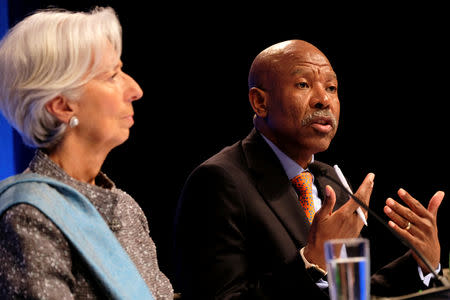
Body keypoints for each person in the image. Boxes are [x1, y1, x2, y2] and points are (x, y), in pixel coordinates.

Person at [173, 39, 445, 299]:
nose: (323, 100)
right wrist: (312, 263)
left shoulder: (329, 181)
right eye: (303, 84)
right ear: (260, 102)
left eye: (331, 88)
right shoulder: (218, 181)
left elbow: (350, 293)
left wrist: (421, 264)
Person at [0, 7, 173, 299]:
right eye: (112, 75)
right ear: (63, 105)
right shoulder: (28, 216)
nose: (135, 89)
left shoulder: (124, 207)